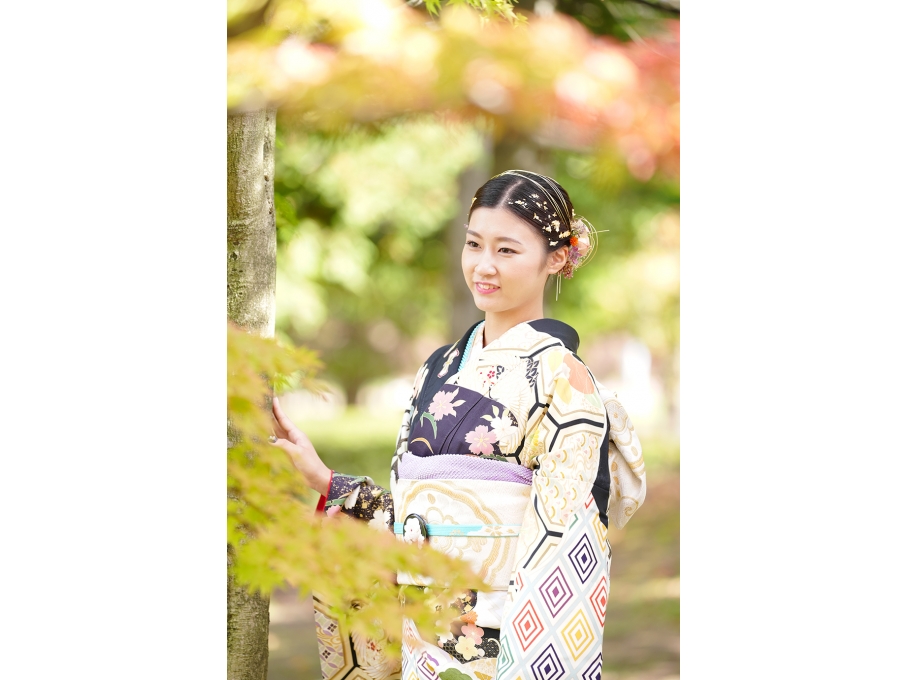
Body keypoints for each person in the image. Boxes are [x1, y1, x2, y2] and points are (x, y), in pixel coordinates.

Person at [271, 169, 647, 680]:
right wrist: (327, 481)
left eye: (507, 250)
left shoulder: (564, 379)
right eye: (473, 244)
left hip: (503, 642)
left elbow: (562, 539)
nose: (483, 266)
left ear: (557, 258)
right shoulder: (436, 368)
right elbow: (413, 522)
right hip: (419, 639)